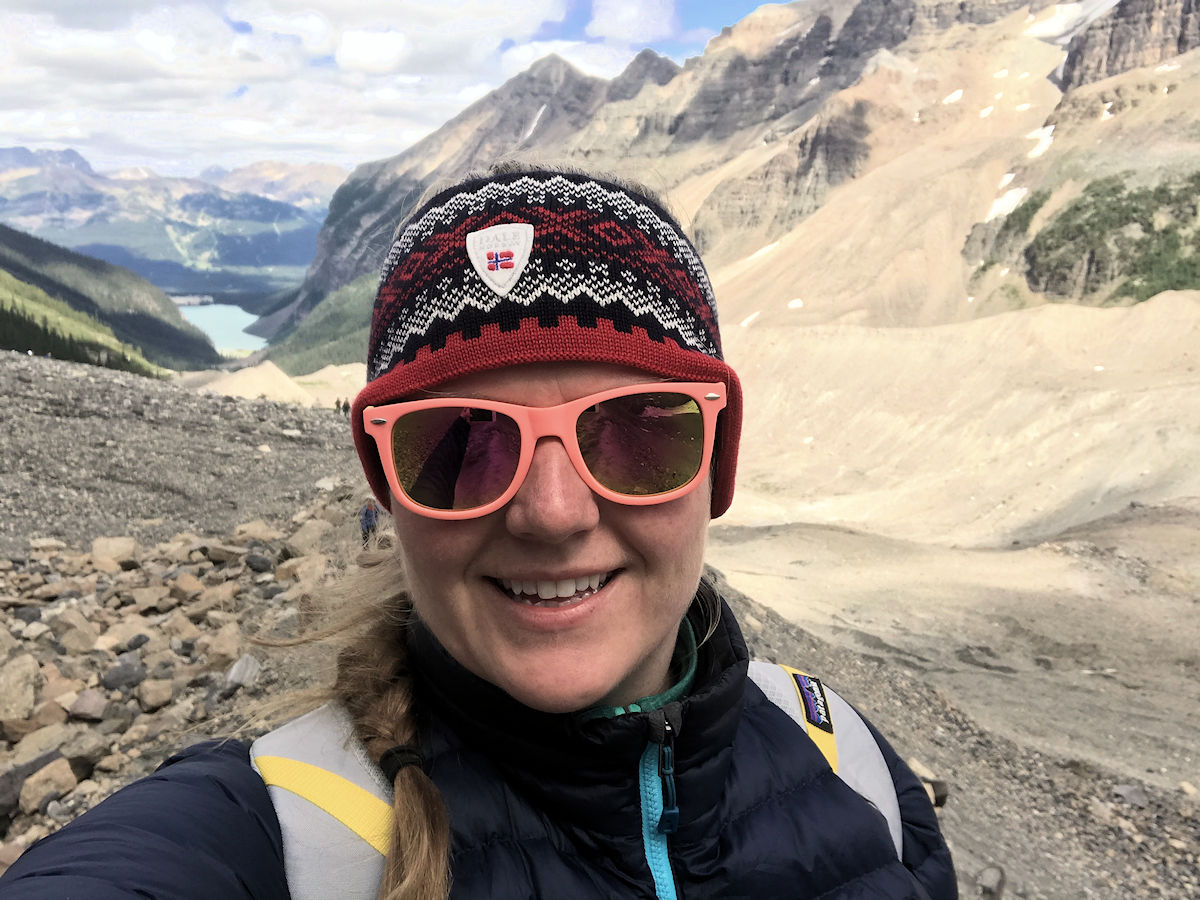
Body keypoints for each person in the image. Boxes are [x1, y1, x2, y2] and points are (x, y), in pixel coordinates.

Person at [0, 163, 956, 899]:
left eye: (636, 435)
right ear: (390, 492)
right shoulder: (272, 835)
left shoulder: (854, 763)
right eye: (459, 446)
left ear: (714, 469)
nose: (552, 513)